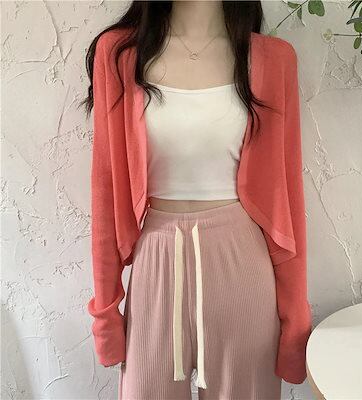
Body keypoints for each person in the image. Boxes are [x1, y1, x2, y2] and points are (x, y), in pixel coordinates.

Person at [82, 1, 313, 399]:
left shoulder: (274, 60)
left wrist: (295, 320)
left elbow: (286, 196)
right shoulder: (119, 54)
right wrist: (106, 313)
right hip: (156, 262)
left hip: (242, 265)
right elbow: (106, 192)